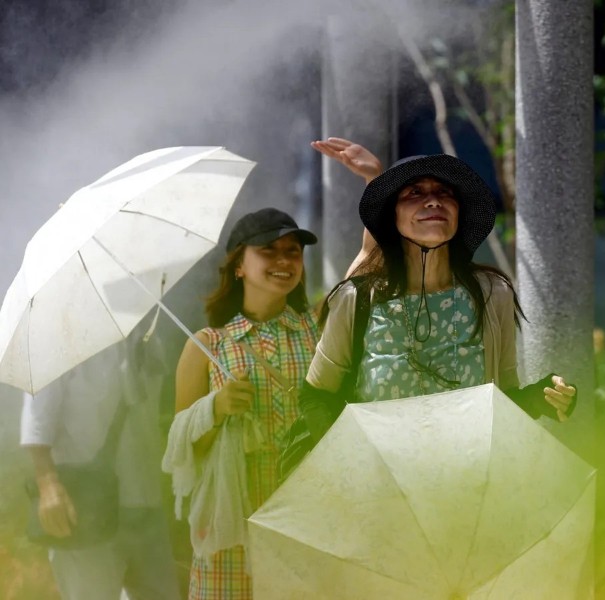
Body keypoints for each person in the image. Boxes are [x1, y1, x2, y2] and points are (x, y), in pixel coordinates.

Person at [301, 139, 576, 442]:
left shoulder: (492, 293)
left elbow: (503, 400)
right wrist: (344, 462)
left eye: (444, 192)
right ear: (392, 217)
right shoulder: (357, 298)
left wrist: (544, 396)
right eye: (415, 192)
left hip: (466, 479)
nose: (433, 201)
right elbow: (316, 396)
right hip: (378, 480)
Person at [163, 207, 319, 600]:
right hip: (231, 524)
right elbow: (184, 450)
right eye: (269, 250)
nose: (284, 261)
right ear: (238, 266)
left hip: (305, 520)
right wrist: (215, 409)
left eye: (293, 251)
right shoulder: (206, 346)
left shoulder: (317, 332)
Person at [20, 331, 181, 600]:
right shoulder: (56, 344)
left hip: (147, 506)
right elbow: (37, 422)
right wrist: (48, 486)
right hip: (86, 512)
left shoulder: (151, 339)